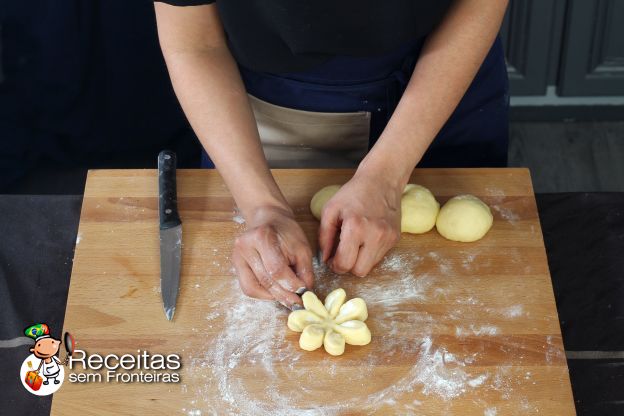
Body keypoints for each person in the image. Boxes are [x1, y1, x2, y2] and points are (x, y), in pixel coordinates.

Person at [153, 1, 510, 310]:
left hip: (446, 68)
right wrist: (264, 207)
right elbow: (194, 43)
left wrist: (386, 176)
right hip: (271, 97)